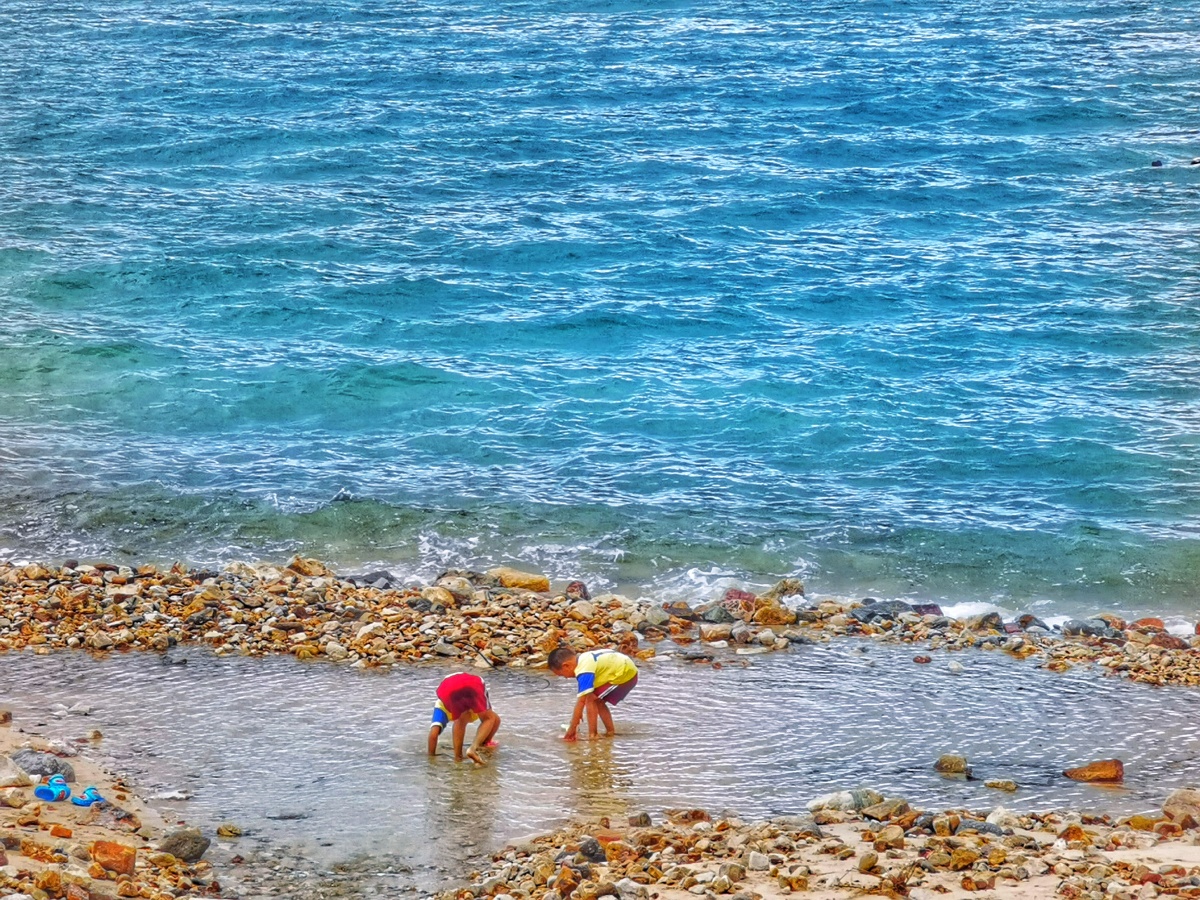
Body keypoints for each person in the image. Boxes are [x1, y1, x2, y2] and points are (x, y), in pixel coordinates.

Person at [547, 647, 638, 741]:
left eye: (562, 674)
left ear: (566, 665)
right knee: (597, 700)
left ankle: (593, 735)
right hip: (624, 667)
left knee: (591, 699)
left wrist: (572, 728)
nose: (566, 678)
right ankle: (610, 732)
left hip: (626, 673)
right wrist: (577, 716)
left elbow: (582, 701)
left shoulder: (584, 670)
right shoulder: (583, 658)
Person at [427, 672, 501, 765]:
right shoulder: (473, 681)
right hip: (472, 686)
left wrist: (431, 759)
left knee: (460, 721)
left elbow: (433, 735)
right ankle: (478, 746)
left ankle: (458, 757)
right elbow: (490, 719)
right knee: (490, 718)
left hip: (448, 690)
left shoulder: (441, 706)